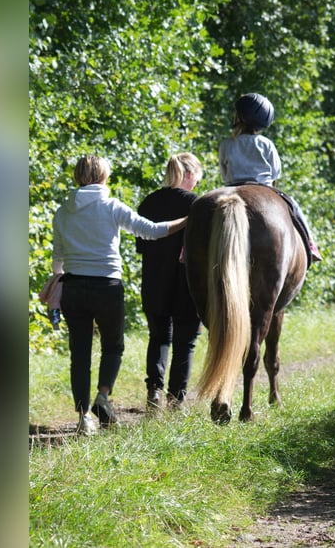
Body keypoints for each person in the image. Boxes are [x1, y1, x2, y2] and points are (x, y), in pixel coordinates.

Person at [52, 155, 188, 435]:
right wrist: (188, 219)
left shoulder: (63, 210)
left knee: (79, 353)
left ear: (78, 177)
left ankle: (83, 418)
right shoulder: (111, 206)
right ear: (103, 177)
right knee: (113, 347)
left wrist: (58, 280)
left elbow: (58, 257)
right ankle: (103, 397)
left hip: (73, 287)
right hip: (107, 287)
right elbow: (151, 231)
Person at [136, 153, 204, 412]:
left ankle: (154, 391)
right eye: (197, 177)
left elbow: (142, 246)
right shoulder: (197, 206)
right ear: (188, 175)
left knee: (159, 337)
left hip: (154, 281)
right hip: (187, 285)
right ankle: (176, 401)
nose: (197, 183)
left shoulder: (149, 202)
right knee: (185, 342)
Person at [218, 92, 322, 262]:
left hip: (232, 188)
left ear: (239, 116)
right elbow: (275, 173)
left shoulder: (227, 144)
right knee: (294, 206)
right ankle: (310, 244)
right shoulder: (267, 144)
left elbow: (224, 172)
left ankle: (186, 249)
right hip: (264, 187)